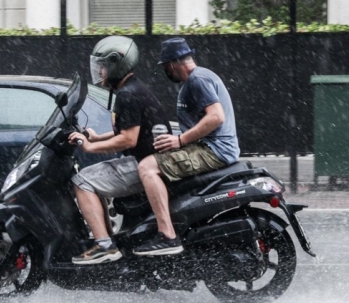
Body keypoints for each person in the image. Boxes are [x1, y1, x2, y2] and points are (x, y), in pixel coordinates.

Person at [132, 37, 240, 256]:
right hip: (210, 146)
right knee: (157, 159)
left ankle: (167, 235)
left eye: (164, 67)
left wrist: (180, 141)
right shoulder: (199, 78)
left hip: (214, 150)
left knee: (147, 167)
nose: (165, 71)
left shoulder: (197, 80)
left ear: (171, 64)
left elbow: (216, 117)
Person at [68, 36, 171, 265]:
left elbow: (128, 140)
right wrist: (97, 136)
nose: (100, 71)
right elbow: (130, 130)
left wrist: (91, 146)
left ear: (116, 65)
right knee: (91, 179)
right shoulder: (130, 88)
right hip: (147, 160)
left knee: (81, 181)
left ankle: (104, 245)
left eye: (103, 66)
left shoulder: (128, 94)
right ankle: (107, 239)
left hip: (145, 164)